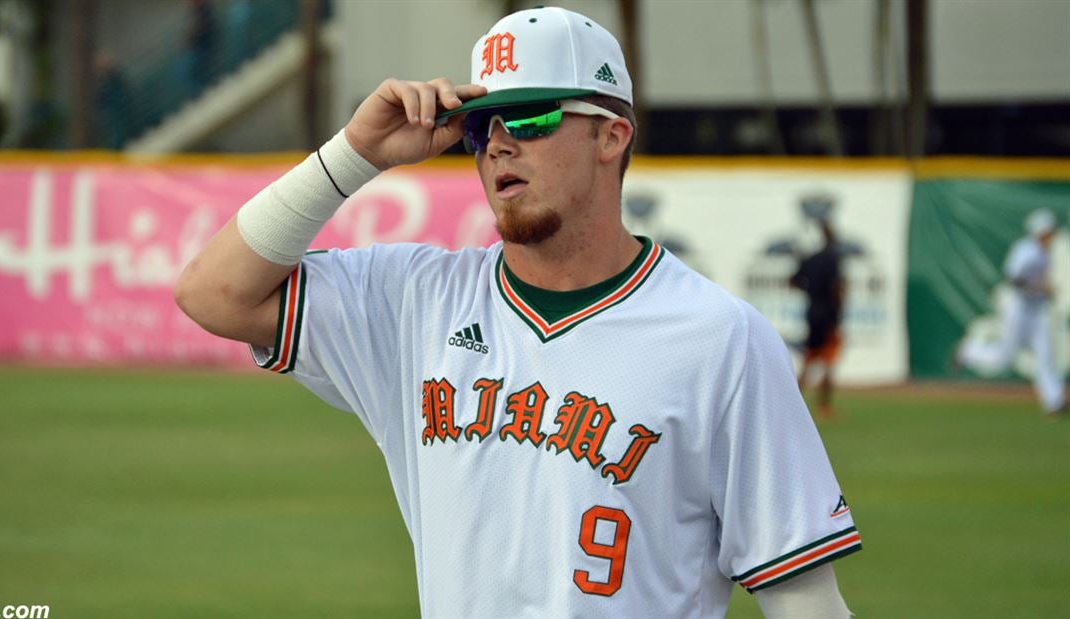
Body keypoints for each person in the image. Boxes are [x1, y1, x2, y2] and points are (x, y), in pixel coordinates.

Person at [176, 7, 860, 617]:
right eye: (479, 126)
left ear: (612, 135)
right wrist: (354, 154)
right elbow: (214, 293)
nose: (500, 143)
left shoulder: (721, 339)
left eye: (532, 116)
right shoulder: (413, 300)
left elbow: (803, 597)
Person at [957, 208, 1066, 415]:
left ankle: (1055, 402)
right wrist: (1042, 288)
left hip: (1036, 309)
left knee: (1045, 355)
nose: (1052, 235)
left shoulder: (1044, 252)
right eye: (1049, 231)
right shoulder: (1026, 250)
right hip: (1018, 309)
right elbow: (1013, 278)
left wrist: (1044, 289)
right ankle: (968, 351)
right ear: (1041, 232)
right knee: (1004, 358)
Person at [791, 214, 844, 418]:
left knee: (809, 360)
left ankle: (793, 405)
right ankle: (824, 407)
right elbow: (837, 287)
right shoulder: (832, 259)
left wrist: (810, 289)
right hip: (829, 315)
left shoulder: (809, 260)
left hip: (812, 312)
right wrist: (838, 313)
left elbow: (793, 281)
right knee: (829, 363)